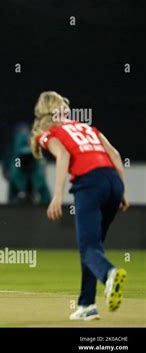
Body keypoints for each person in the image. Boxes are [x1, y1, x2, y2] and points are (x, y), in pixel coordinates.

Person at [30, 91, 129, 320]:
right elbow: (115, 154)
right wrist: (122, 190)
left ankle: (110, 274)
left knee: (88, 249)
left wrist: (56, 195)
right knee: (93, 248)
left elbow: (63, 155)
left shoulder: (49, 133)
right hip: (113, 181)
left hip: (89, 184)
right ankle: (87, 305)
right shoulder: (87, 127)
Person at [2, 122, 51, 204]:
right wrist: (8, 171)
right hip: (19, 173)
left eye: (25, 131)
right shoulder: (13, 150)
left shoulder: (35, 145)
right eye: (20, 132)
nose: (23, 133)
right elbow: (11, 160)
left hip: (35, 173)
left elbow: (42, 160)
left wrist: (42, 168)